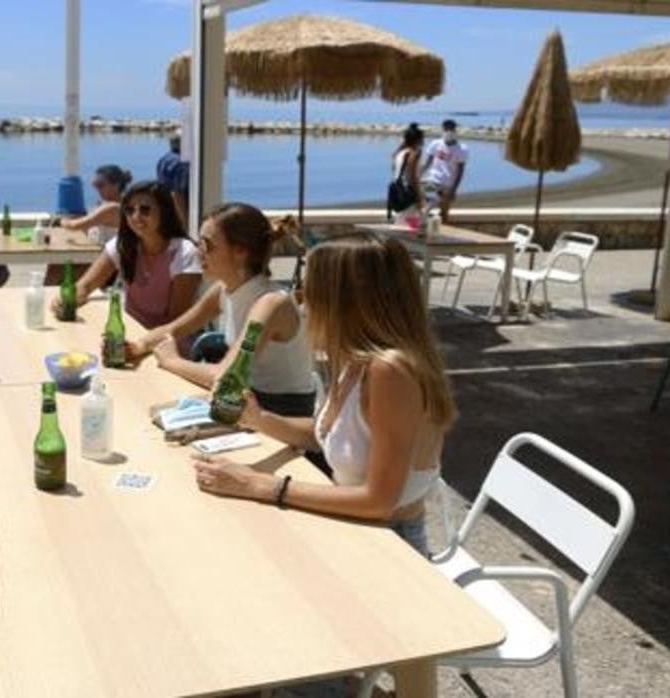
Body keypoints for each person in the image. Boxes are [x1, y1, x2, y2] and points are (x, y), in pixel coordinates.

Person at [190, 233, 456, 556]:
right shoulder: (357, 359)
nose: (302, 298)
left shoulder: (390, 372)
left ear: (344, 299)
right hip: (357, 528)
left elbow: (379, 500)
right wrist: (259, 418)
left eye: (309, 286)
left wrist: (257, 485)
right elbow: (330, 436)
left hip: (390, 545)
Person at [128, 202, 319, 417]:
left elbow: (227, 375)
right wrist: (136, 346)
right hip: (247, 402)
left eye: (206, 245)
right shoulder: (224, 289)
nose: (198, 252)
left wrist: (172, 361)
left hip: (281, 416)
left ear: (240, 251)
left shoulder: (271, 303)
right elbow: (173, 329)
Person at [53, 180, 201, 335]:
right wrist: (66, 301)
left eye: (145, 210)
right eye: (130, 210)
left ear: (164, 212)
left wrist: (141, 343)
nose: (136, 217)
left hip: (168, 342)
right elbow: (86, 285)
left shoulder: (184, 252)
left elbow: (177, 321)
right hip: (129, 333)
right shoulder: (124, 244)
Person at [46, 164, 131, 285]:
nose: (97, 189)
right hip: (96, 255)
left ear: (116, 185)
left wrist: (60, 221)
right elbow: (90, 223)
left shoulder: (112, 208)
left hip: (107, 265)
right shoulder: (112, 204)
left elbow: (75, 225)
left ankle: (48, 296)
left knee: (57, 268)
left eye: (101, 185)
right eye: (95, 185)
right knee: (57, 264)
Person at [420, 119, 469, 223]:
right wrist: (418, 175)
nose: (449, 131)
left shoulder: (462, 149)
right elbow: (427, 163)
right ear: (443, 129)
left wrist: (454, 189)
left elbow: (460, 171)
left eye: (451, 129)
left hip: (448, 185)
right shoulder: (435, 144)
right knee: (427, 206)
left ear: (455, 130)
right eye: (446, 129)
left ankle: (444, 233)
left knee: (444, 212)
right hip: (432, 180)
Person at [390, 123, 426, 221]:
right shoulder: (414, 153)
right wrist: (419, 197)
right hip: (408, 192)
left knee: (401, 220)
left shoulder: (399, 153)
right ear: (419, 140)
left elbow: (395, 168)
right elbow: (412, 177)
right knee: (411, 224)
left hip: (396, 190)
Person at [156, 135, 190, 231]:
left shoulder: (164, 159)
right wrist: (184, 223)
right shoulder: (182, 163)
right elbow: (177, 194)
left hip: (164, 207)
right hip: (178, 211)